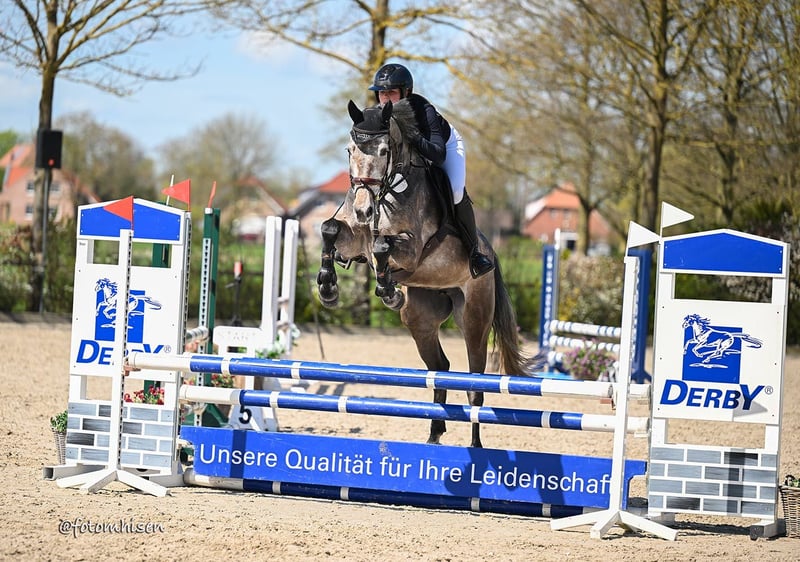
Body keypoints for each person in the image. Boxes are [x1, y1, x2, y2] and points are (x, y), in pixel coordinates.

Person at [368, 63, 494, 279]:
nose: (386, 99)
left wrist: (412, 134)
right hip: (411, 158)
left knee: (455, 190)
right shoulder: (379, 114)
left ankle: (474, 252)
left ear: (406, 92)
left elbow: (438, 154)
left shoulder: (424, 111)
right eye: (382, 93)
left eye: (392, 93)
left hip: (445, 147)